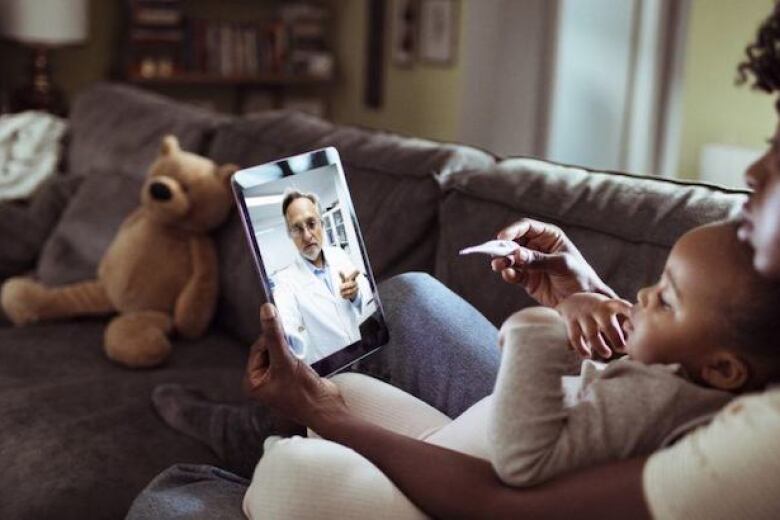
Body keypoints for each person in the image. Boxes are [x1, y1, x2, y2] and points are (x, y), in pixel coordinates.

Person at [129, 4, 780, 518]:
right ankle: (275, 430)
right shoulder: (734, 340)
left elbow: (504, 502)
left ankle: (269, 450)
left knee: (176, 496)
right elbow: (664, 382)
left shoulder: (762, 447)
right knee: (405, 300)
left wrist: (542, 330)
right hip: (526, 439)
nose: (755, 170)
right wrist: (583, 295)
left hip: (511, 482)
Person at [239, 221, 779, 518]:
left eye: (665, 298)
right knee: (352, 379)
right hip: (469, 441)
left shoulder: (737, 441)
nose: (641, 295)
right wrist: (594, 303)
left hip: (481, 490)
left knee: (291, 472)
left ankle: (242, 458)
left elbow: (515, 478)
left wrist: (542, 330)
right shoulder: (703, 379)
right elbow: (662, 371)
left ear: (725, 369)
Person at [271, 189, 371, 363]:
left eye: (311, 223)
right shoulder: (285, 281)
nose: (307, 235)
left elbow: (366, 293)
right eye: (297, 229)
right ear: (290, 235)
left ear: (322, 224)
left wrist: (355, 295)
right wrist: (285, 338)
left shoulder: (339, 254)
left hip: (363, 348)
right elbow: (286, 323)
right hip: (333, 367)